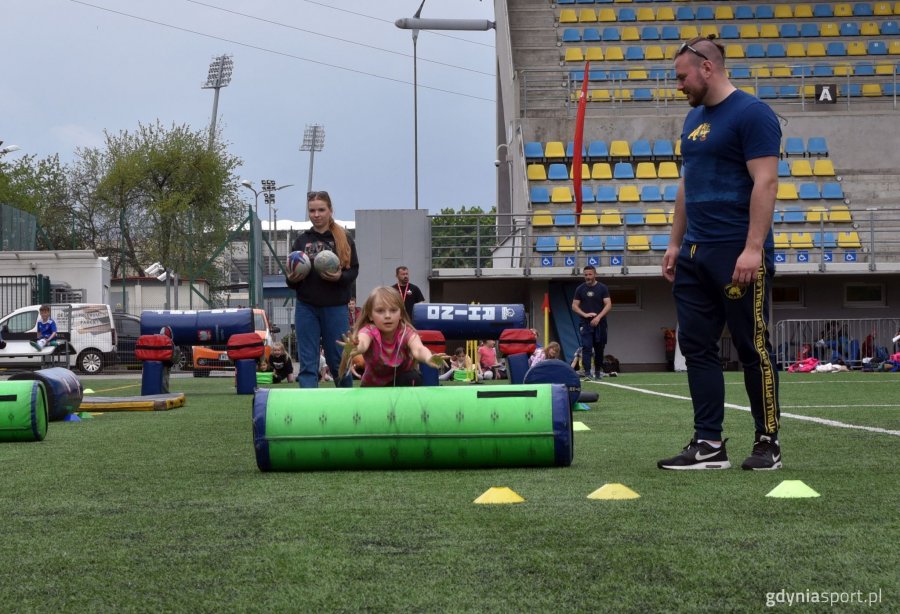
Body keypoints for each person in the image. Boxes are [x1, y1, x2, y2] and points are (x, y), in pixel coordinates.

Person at [657, 35, 782, 471]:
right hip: (695, 253)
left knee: (753, 347)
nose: (679, 86)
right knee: (696, 346)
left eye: (682, 77)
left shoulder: (753, 114)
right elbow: (686, 186)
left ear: (707, 68)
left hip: (736, 253)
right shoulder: (693, 120)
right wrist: (675, 242)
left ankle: (767, 442)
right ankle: (709, 444)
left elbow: (765, 183)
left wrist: (752, 249)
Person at [287, 190, 359, 388]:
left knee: (338, 361)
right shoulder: (301, 241)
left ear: (330, 210)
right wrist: (292, 279)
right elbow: (291, 280)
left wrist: (339, 277)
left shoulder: (343, 238)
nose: (316, 214)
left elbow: (353, 271)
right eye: (312, 210)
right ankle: (310, 408)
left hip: (335, 308)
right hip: (306, 307)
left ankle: (347, 408)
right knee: (308, 363)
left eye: (321, 210)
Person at [337, 286, 447, 387]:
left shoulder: (406, 332)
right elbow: (363, 342)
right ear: (370, 315)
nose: (388, 316)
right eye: (380, 311)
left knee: (413, 377)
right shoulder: (369, 331)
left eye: (393, 310)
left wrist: (428, 357)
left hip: (402, 383)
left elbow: (418, 349)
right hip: (373, 387)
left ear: (401, 314)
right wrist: (356, 347)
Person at [571, 265, 612, 380]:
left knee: (599, 348)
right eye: (585, 275)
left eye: (590, 274)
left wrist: (598, 317)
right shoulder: (580, 289)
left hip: (600, 323)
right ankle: (587, 372)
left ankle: (598, 371)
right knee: (586, 347)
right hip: (585, 324)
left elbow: (608, 304)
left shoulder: (602, 288)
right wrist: (585, 315)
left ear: (595, 275)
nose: (588, 277)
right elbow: (574, 306)